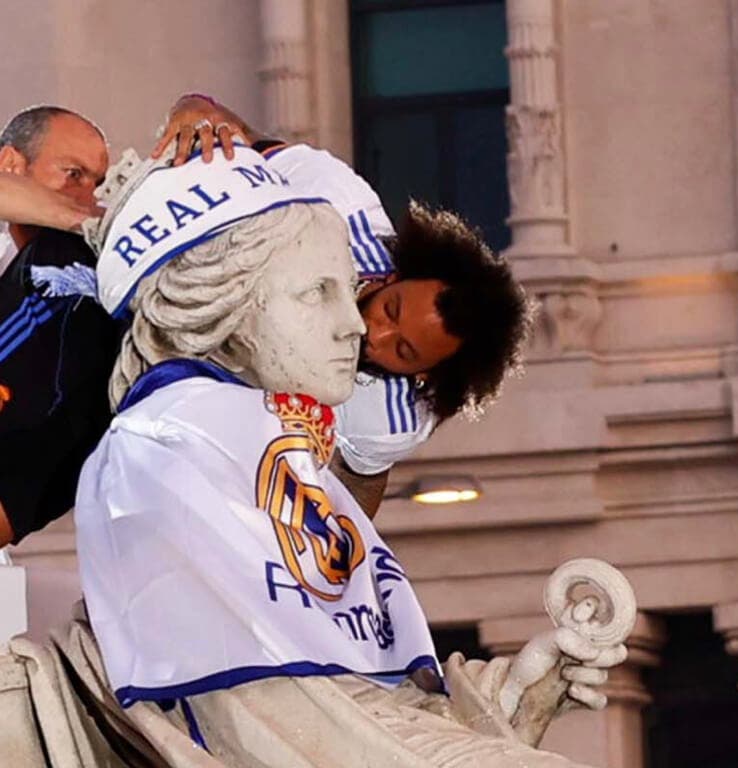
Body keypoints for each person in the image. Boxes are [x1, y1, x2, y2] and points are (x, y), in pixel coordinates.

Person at [24, 143, 621, 768]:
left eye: (405, 352)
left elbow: (341, 686)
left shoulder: (311, 445)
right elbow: (273, 716)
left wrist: (507, 702)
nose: (361, 328)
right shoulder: (169, 446)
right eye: (319, 293)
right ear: (232, 302)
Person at [155, 96, 531, 515]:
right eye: (391, 309)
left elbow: (360, 491)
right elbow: (238, 134)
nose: (375, 334)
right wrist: (195, 113)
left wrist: (338, 561)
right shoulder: (336, 202)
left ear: (424, 375)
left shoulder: (391, 421)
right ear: (395, 276)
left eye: (403, 350)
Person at [0, 106, 117, 547]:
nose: (88, 197)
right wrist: (88, 223)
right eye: (73, 174)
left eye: (96, 184)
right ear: (12, 165)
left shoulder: (74, 277)